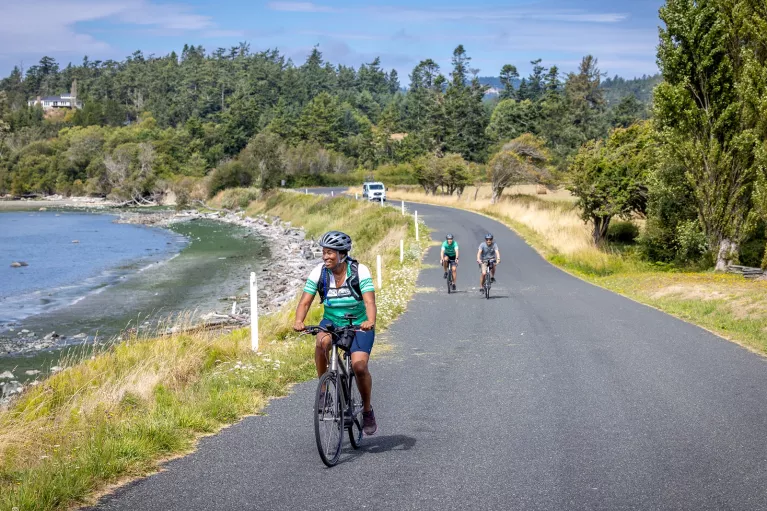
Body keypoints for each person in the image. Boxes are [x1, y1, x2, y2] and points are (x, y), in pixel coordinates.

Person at [293, 230, 378, 435]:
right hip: (331, 321)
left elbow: (369, 301)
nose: (325, 257)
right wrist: (299, 320)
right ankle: (324, 390)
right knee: (322, 343)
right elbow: (305, 301)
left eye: (330, 252)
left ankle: (367, 410)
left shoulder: (360, 271)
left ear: (342, 254)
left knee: (359, 366)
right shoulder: (319, 272)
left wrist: (370, 321)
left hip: (358, 324)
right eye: (324, 252)